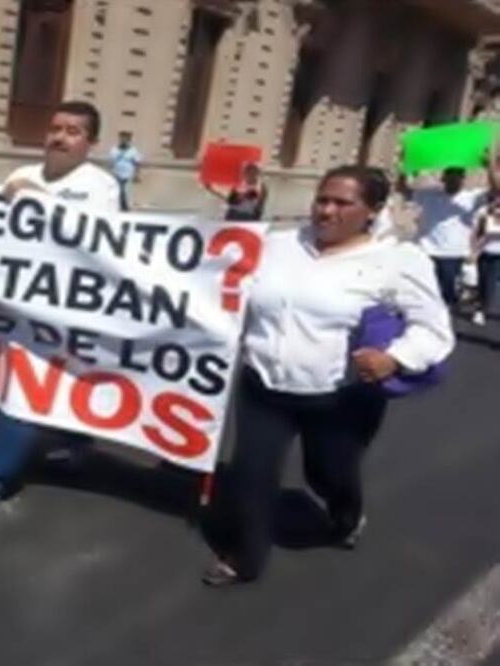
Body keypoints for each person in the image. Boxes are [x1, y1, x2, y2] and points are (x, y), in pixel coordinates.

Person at [202, 165, 454, 586]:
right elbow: (215, 265)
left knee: (329, 472)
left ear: (372, 211)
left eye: (343, 203)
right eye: (322, 199)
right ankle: (243, 558)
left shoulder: (396, 262)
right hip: (264, 385)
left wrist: (395, 359)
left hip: (341, 398)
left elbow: (433, 330)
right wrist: (241, 209)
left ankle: (345, 516)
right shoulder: (278, 245)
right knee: (252, 473)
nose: (327, 210)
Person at [0, 100, 119, 517]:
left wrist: (35, 200)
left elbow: (89, 238)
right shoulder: (20, 175)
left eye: (72, 131)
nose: (59, 137)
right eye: (55, 128)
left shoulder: (102, 186)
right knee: (45, 382)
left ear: (91, 142)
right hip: (19, 303)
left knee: (30, 389)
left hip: (68, 310)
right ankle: (75, 440)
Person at [413, 167, 486, 307]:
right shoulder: (429, 194)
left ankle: (446, 311)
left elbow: (495, 190)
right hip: (426, 249)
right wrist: (406, 166)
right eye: (450, 177)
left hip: (452, 254)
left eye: (457, 177)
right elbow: (405, 190)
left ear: (462, 180)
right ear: (444, 179)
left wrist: (491, 167)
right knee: (423, 288)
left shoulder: (472, 197)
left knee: (446, 292)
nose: (453, 181)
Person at [471, 191, 500, 325]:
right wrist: (473, 251)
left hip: (498, 256)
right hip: (484, 253)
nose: (497, 202)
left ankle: (482, 310)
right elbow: (476, 232)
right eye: (495, 199)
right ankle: (479, 306)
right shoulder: (483, 213)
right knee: (482, 281)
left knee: (490, 284)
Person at [108, 130, 143, 211]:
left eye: (126, 139)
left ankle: (125, 208)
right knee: (118, 191)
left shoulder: (133, 151)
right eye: (122, 138)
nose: (123, 140)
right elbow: (111, 163)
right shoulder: (114, 150)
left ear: (129, 140)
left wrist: (137, 175)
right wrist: (111, 173)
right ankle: (119, 207)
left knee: (125, 192)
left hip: (128, 175)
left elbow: (137, 163)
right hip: (117, 174)